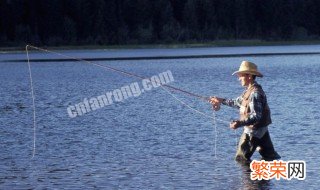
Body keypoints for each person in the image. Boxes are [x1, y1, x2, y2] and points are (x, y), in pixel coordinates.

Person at [210, 61, 280, 162]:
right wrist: (221, 100)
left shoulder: (254, 94)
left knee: (241, 159)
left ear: (249, 76)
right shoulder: (249, 91)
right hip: (261, 130)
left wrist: (239, 123)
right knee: (270, 156)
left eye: (241, 76)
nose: (239, 78)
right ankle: (264, 176)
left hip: (253, 132)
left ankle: (249, 178)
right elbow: (236, 103)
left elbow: (256, 116)